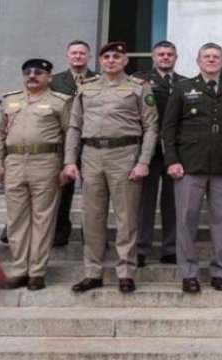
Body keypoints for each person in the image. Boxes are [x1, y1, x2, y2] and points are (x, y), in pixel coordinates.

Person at [63, 42, 158, 294]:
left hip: (125, 155)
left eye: (117, 56)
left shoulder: (139, 87)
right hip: (92, 155)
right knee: (92, 218)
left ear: (125, 60)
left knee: (126, 218)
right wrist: (70, 160)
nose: (111, 61)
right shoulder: (86, 88)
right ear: (100, 61)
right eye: (106, 57)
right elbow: (74, 126)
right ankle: (93, 272)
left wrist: (143, 161)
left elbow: (150, 127)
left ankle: (126, 272)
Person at [162, 42, 222, 294]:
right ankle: (188, 273)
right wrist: (172, 160)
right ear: (198, 62)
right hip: (189, 166)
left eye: (216, 57)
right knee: (186, 221)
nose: (211, 60)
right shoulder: (183, 88)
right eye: (206, 57)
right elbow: (169, 128)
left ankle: (219, 271)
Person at [0, 58, 71, 291]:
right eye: (28, 72)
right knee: (16, 220)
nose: (32, 76)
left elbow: (70, 135)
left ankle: (37, 272)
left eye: (39, 72)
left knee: (43, 219)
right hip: (15, 162)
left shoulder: (61, 102)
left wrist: (67, 164)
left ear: (49, 77)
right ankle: (19, 270)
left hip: (46, 162)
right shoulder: (10, 100)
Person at [132, 41, 185, 267]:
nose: (165, 58)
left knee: (172, 203)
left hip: (175, 152)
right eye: (161, 54)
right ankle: (141, 248)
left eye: (170, 54)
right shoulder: (139, 80)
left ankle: (170, 248)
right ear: (153, 57)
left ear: (176, 57)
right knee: (145, 202)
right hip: (148, 150)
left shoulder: (184, 83)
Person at [48, 40, 98, 247]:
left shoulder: (99, 79)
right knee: (61, 190)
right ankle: (59, 233)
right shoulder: (54, 81)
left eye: (82, 53)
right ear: (67, 57)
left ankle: (93, 236)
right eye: (74, 53)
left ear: (89, 57)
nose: (78, 56)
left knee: (94, 193)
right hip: (63, 141)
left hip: (91, 141)